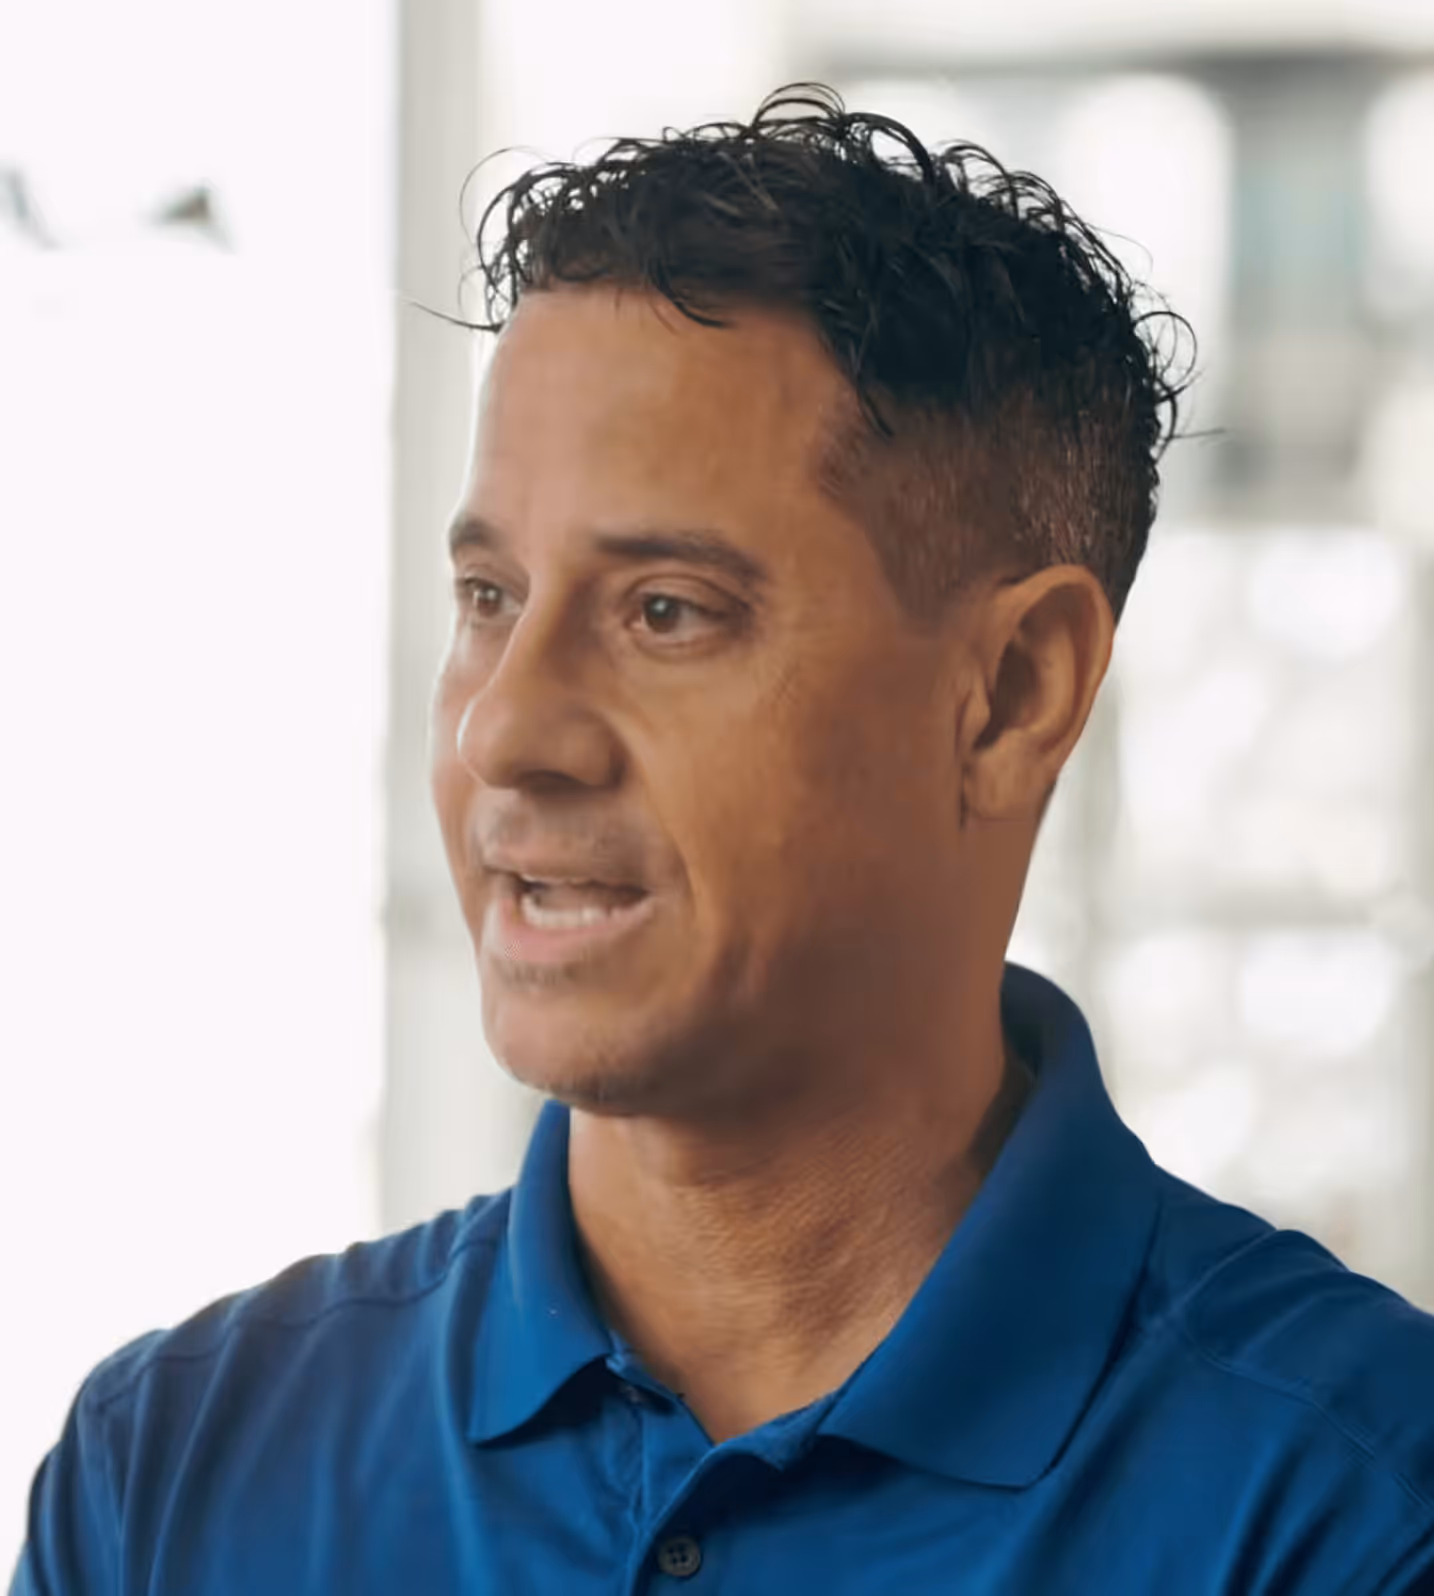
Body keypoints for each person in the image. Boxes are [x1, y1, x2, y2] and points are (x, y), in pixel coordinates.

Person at [13, 83, 1434, 1595]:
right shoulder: (172, 1473)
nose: (505, 729)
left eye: (664, 612)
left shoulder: (1353, 1513)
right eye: (488, 598)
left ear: (1011, 695)